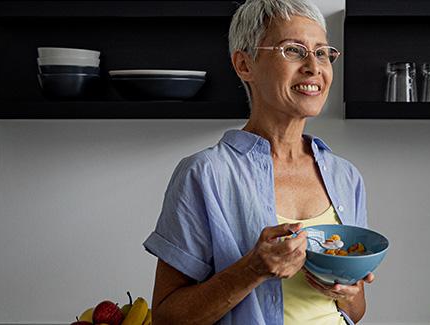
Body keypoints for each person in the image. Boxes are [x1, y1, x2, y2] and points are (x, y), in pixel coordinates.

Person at [142, 0, 373, 324]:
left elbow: (357, 310)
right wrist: (252, 270)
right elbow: (167, 317)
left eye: (322, 52)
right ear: (244, 64)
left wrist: (346, 292)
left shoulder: (346, 177)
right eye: (293, 50)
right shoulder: (205, 175)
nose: (313, 67)